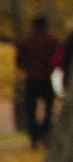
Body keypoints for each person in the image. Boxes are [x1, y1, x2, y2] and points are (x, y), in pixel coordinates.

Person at [15, 13, 58, 148]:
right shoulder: (51, 41)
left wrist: (27, 68)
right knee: (49, 108)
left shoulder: (26, 41)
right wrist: (51, 67)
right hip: (46, 78)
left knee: (31, 110)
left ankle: (33, 136)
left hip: (31, 79)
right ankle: (46, 131)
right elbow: (58, 56)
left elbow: (19, 60)